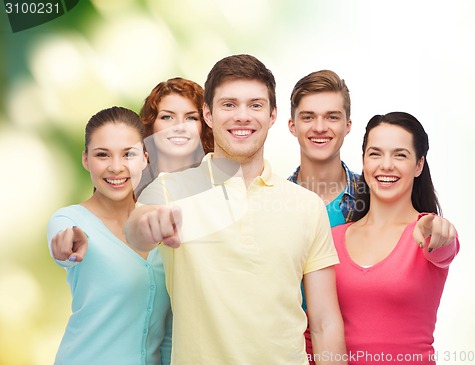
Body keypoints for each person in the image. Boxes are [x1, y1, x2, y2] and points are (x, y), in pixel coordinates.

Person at [125, 54, 347, 365]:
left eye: (255, 105)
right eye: (229, 105)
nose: (242, 116)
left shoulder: (307, 206)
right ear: (208, 114)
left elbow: (324, 322)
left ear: (272, 116)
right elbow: (136, 230)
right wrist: (149, 223)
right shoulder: (169, 190)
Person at [331, 112, 460, 364]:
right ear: (364, 161)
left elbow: (445, 246)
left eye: (400, 155)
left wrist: (437, 228)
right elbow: (315, 328)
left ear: (419, 165)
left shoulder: (427, 233)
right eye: (375, 153)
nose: (386, 165)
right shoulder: (333, 238)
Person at [47, 106, 172, 365]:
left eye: (128, 154)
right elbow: (63, 246)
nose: (116, 167)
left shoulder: (161, 225)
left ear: (145, 158)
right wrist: (66, 250)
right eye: (102, 155)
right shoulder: (70, 221)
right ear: (85, 160)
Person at [288, 70, 359, 227]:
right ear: (293, 127)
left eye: (332, 117)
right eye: (308, 117)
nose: (320, 128)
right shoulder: (274, 199)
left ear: (347, 126)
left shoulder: (374, 197)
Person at [135, 77, 214, 195]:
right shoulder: (127, 186)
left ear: (204, 126)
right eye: (167, 117)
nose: (180, 127)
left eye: (191, 118)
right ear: (150, 124)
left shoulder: (221, 186)